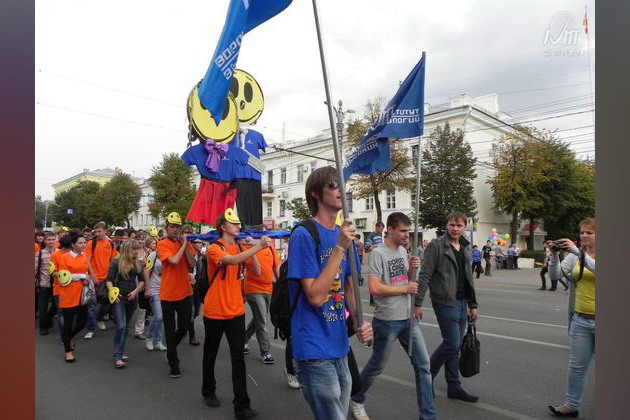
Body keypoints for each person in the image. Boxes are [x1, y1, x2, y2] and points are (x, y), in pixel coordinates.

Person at [287, 167, 372, 420]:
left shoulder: (343, 236)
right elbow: (314, 296)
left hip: (340, 346)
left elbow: (349, 287)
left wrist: (359, 322)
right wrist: (339, 249)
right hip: (313, 348)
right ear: (315, 193)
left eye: (342, 185)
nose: (341, 190)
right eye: (333, 185)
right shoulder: (303, 235)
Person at [350, 212, 436, 420]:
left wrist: (413, 269)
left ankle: (428, 416)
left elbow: (404, 280)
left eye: (408, 230)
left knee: (423, 366)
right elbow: (374, 288)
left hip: (408, 320)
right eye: (403, 231)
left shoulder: (402, 250)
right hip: (387, 321)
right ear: (390, 229)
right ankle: (357, 398)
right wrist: (405, 288)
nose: (407, 235)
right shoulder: (378, 253)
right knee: (377, 365)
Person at [201, 209, 270, 419]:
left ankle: (241, 406)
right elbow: (230, 261)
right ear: (223, 227)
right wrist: (258, 246)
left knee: (238, 359)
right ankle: (208, 391)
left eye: (239, 223)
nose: (239, 226)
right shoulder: (214, 248)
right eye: (234, 223)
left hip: (236, 312)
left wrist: (251, 249)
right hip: (214, 311)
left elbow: (256, 271)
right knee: (210, 354)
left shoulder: (241, 247)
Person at [417, 212, 479, 403]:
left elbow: (468, 278)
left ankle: (454, 386)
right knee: (452, 343)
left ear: (465, 227)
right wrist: (417, 303)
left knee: (455, 346)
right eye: (452, 225)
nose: (455, 229)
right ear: (447, 225)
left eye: (459, 226)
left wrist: (473, 304)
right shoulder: (436, 246)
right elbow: (425, 274)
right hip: (444, 302)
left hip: (462, 302)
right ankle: (426, 377)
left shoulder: (465, 246)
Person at [547, 218, 596, 418]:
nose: (584, 235)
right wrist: (554, 256)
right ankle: (571, 405)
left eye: (589, 232)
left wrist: (577, 252)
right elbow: (555, 275)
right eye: (582, 232)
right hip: (580, 320)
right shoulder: (576, 256)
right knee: (577, 368)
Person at [156, 212, 197, 378]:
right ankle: (174, 363)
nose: (175, 230)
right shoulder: (162, 244)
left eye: (177, 227)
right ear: (167, 228)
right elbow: (173, 261)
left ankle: (171, 348)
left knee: (185, 326)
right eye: (172, 227)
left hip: (185, 291)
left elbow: (192, 263)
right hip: (168, 294)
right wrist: (183, 245)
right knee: (169, 329)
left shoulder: (184, 243)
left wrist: (185, 245)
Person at [106, 240, 145, 369]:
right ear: (128, 249)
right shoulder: (116, 262)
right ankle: (118, 356)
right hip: (119, 298)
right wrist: (113, 292)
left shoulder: (137, 263)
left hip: (132, 298)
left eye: (137, 249)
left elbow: (142, 281)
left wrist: (135, 291)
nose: (136, 252)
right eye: (134, 249)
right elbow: (109, 280)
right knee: (121, 326)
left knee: (126, 327)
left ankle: (120, 351)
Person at [243, 236, 280, 364]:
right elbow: (257, 271)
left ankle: (243, 340)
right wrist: (253, 249)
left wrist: (282, 286)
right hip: (253, 289)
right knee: (262, 320)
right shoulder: (247, 247)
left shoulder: (270, 247)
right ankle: (265, 352)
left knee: (259, 318)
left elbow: (276, 268)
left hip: (269, 289)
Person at [57, 231, 90, 362]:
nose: (83, 245)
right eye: (80, 243)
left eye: (84, 242)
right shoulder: (64, 257)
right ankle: (68, 351)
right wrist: (82, 276)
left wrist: (85, 279)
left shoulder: (84, 256)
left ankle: (69, 337)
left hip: (82, 294)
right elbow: (64, 276)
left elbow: (85, 272)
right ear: (73, 245)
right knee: (68, 323)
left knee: (83, 321)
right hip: (68, 294)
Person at [84, 221, 118, 338]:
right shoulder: (91, 243)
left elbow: (113, 260)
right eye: (96, 231)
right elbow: (87, 261)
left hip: (107, 278)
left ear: (105, 231)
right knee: (92, 304)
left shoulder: (110, 244)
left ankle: (98, 318)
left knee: (106, 301)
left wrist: (112, 276)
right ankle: (90, 329)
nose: (97, 233)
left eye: (100, 231)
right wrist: (93, 276)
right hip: (94, 278)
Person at [144, 237, 167, 351]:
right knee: (159, 316)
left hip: (166, 290)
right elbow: (146, 271)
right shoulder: (153, 255)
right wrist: (147, 288)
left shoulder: (169, 256)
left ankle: (158, 341)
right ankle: (149, 336)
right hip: (154, 289)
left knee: (162, 317)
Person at [35, 231, 58, 335]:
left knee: (56, 306)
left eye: (53, 239)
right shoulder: (39, 254)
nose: (51, 242)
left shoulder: (59, 252)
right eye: (49, 240)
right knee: (42, 307)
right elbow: (35, 269)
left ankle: (49, 318)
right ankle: (43, 327)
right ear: (45, 241)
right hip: (44, 283)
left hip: (56, 283)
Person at [132, 231, 149, 340]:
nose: (140, 241)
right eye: (138, 239)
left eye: (142, 239)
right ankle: (124, 324)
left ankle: (139, 331)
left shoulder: (148, 251)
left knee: (142, 307)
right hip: (132, 282)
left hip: (144, 282)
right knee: (131, 305)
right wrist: (138, 264)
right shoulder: (131, 251)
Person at [187, 237, 204, 346]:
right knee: (191, 312)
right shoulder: (188, 255)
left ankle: (185, 324)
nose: (200, 244)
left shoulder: (202, 256)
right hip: (188, 286)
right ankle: (192, 336)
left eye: (201, 243)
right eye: (198, 243)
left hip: (198, 287)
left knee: (197, 312)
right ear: (192, 244)